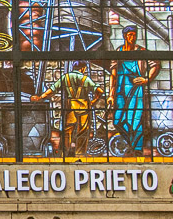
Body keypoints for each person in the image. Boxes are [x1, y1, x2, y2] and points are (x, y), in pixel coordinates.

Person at [32, 61, 103, 156]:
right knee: (83, 131)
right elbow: (100, 91)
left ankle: (64, 153)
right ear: (83, 68)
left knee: (67, 131)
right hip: (84, 107)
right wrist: (93, 102)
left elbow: (52, 90)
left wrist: (40, 97)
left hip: (70, 106)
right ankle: (80, 153)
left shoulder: (65, 77)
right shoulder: (86, 79)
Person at [111, 28, 159, 156]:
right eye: (130, 35)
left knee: (136, 120)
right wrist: (111, 94)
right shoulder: (118, 51)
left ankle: (137, 149)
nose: (132, 38)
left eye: (134, 35)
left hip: (136, 89)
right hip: (120, 90)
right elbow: (113, 74)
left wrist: (146, 79)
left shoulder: (141, 51)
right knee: (117, 121)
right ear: (124, 36)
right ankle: (131, 143)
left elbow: (155, 64)